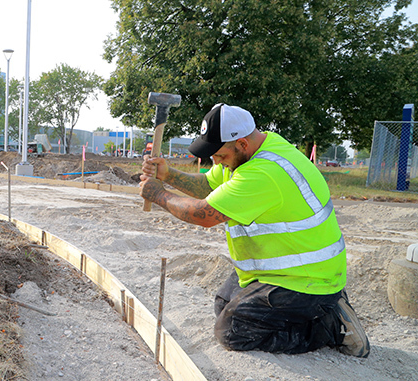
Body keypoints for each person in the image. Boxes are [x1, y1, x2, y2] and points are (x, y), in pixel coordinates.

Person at [140, 103, 370, 357]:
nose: (215, 161)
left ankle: (333, 326)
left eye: (219, 155)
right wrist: (167, 174)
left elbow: (203, 214)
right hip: (280, 272)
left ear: (242, 144)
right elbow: (208, 185)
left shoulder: (264, 173)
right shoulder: (257, 148)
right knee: (224, 305)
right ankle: (320, 312)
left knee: (233, 331)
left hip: (307, 280)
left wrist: (159, 195)